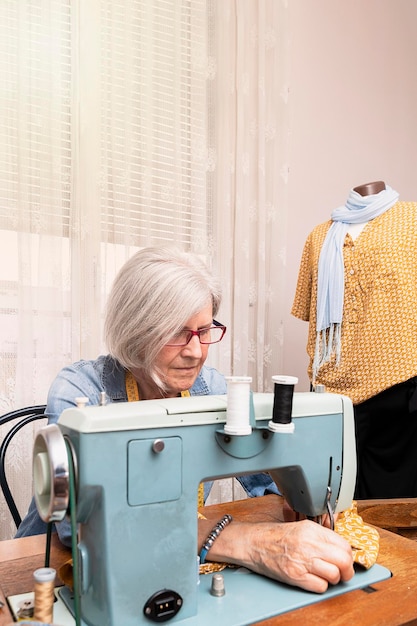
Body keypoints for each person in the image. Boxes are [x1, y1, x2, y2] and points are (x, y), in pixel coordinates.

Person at [16, 246, 353, 593]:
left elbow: (265, 470)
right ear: (135, 329)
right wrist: (236, 539)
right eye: (177, 332)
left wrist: (298, 501)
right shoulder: (79, 391)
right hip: (49, 575)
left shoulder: (214, 390)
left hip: (166, 567)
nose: (195, 352)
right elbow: (85, 527)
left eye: (204, 330)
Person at [291, 182, 417, 499]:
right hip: (329, 391)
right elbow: (309, 309)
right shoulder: (319, 236)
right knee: (332, 500)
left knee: (398, 510)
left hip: (398, 384)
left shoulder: (411, 220)